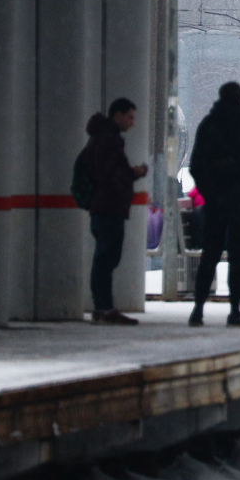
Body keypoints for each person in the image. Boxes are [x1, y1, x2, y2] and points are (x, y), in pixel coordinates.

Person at [188, 82, 240, 327]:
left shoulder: (208, 125)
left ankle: (198, 309)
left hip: (215, 203)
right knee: (238, 258)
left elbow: (196, 165)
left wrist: (209, 192)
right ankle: (234, 309)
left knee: (209, 255)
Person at [82, 98, 148, 325]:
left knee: (105, 258)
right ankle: (104, 307)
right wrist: (133, 173)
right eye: (129, 117)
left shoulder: (100, 138)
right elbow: (108, 174)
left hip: (104, 207)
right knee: (106, 259)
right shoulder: (108, 140)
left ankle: (103, 306)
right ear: (117, 116)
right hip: (108, 208)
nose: (132, 123)